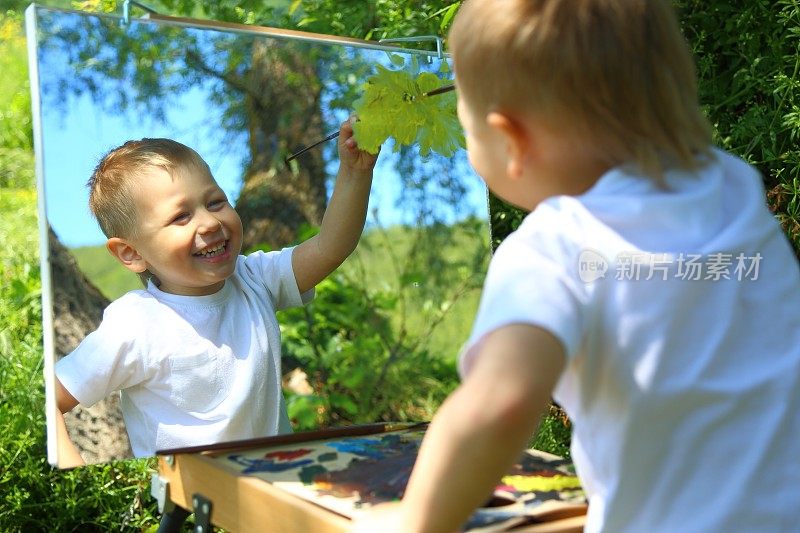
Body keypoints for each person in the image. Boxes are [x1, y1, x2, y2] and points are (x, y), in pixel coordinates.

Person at [354, 0, 800, 531]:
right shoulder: (734, 188)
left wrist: (414, 522)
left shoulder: (557, 246)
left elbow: (498, 404)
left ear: (511, 140)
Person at [55, 119, 378, 467]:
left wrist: (355, 172)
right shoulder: (137, 324)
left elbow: (330, 247)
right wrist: (76, 480)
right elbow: (52, 397)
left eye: (215, 202)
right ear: (132, 253)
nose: (209, 223)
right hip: (190, 512)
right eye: (181, 217)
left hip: (272, 490)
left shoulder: (255, 279)